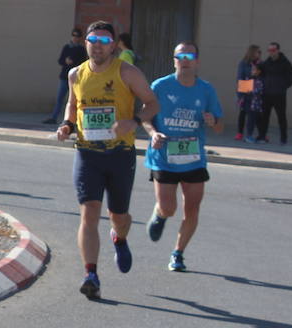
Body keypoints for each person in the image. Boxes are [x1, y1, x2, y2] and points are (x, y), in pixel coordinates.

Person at [56, 20, 159, 300]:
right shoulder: (76, 74)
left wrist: (134, 122)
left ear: (113, 45)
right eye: (93, 40)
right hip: (87, 152)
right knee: (89, 212)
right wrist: (67, 124)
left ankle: (120, 237)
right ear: (86, 43)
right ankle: (91, 274)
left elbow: (152, 102)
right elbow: (73, 103)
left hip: (119, 154)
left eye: (104, 41)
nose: (98, 45)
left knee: (119, 216)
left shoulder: (127, 71)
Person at [143, 43, 224, 273]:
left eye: (189, 56)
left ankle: (178, 253)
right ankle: (160, 215)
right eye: (180, 56)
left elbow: (220, 126)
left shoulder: (206, 90)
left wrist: (213, 122)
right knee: (169, 207)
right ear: (174, 60)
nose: (185, 60)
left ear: (197, 61)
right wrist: (153, 133)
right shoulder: (160, 86)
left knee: (192, 209)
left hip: (193, 157)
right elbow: (144, 117)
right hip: (164, 156)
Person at [43, 28, 87, 124]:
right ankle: (54, 118)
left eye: (77, 36)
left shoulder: (81, 49)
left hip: (76, 78)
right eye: (74, 35)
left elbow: (84, 64)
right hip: (64, 77)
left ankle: (74, 121)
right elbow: (60, 60)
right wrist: (65, 61)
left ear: (80, 38)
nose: (75, 38)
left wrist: (74, 63)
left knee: (75, 100)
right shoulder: (67, 47)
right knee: (59, 99)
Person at [255, 41, 292, 144]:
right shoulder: (267, 62)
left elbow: (290, 79)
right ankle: (262, 136)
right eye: (269, 50)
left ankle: (283, 138)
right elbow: (260, 72)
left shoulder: (285, 63)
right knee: (264, 116)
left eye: (273, 50)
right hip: (267, 93)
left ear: (278, 50)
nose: (271, 52)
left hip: (279, 95)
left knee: (281, 117)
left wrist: (282, 87)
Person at [234, 45, 262, 141]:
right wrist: (241, 94)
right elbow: (240, 78)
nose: (260, 54)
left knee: (254, 114)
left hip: (257, 92)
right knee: (243, 112)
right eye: (258, 52)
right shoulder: (244, 63)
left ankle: (258, 134)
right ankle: (240, 133)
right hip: (246, 90)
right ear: (253, 52)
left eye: (260, 52)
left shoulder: (260, 63)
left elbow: (263, 77)